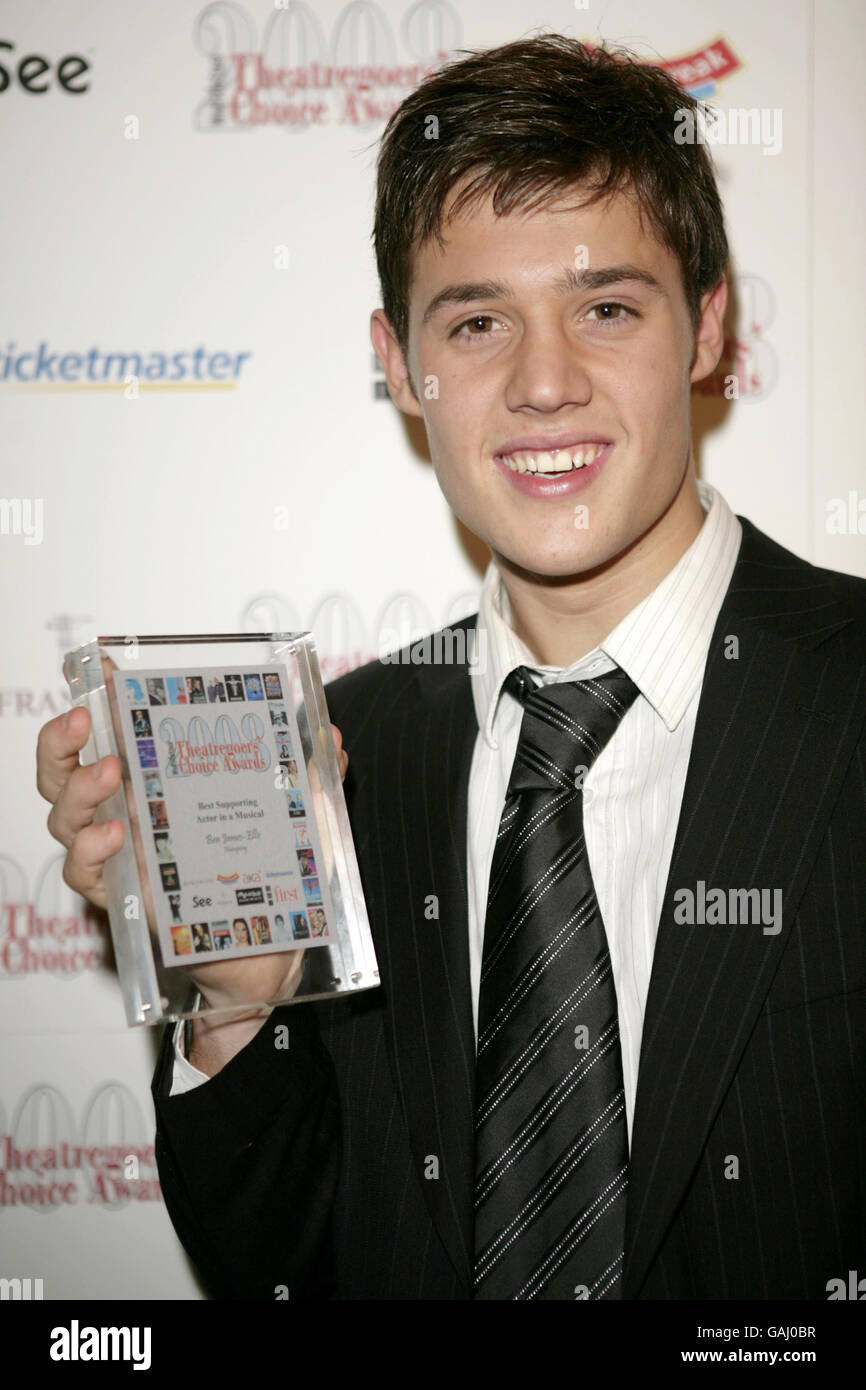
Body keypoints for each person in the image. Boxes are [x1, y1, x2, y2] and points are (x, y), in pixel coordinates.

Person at [36, 36, 865, 1301]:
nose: (542, 383)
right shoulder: (329, 765)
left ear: (705, 328)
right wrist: (237, 1012)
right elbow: (281, 1267)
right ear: (396, 362)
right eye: (476, 321)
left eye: (604, 307)